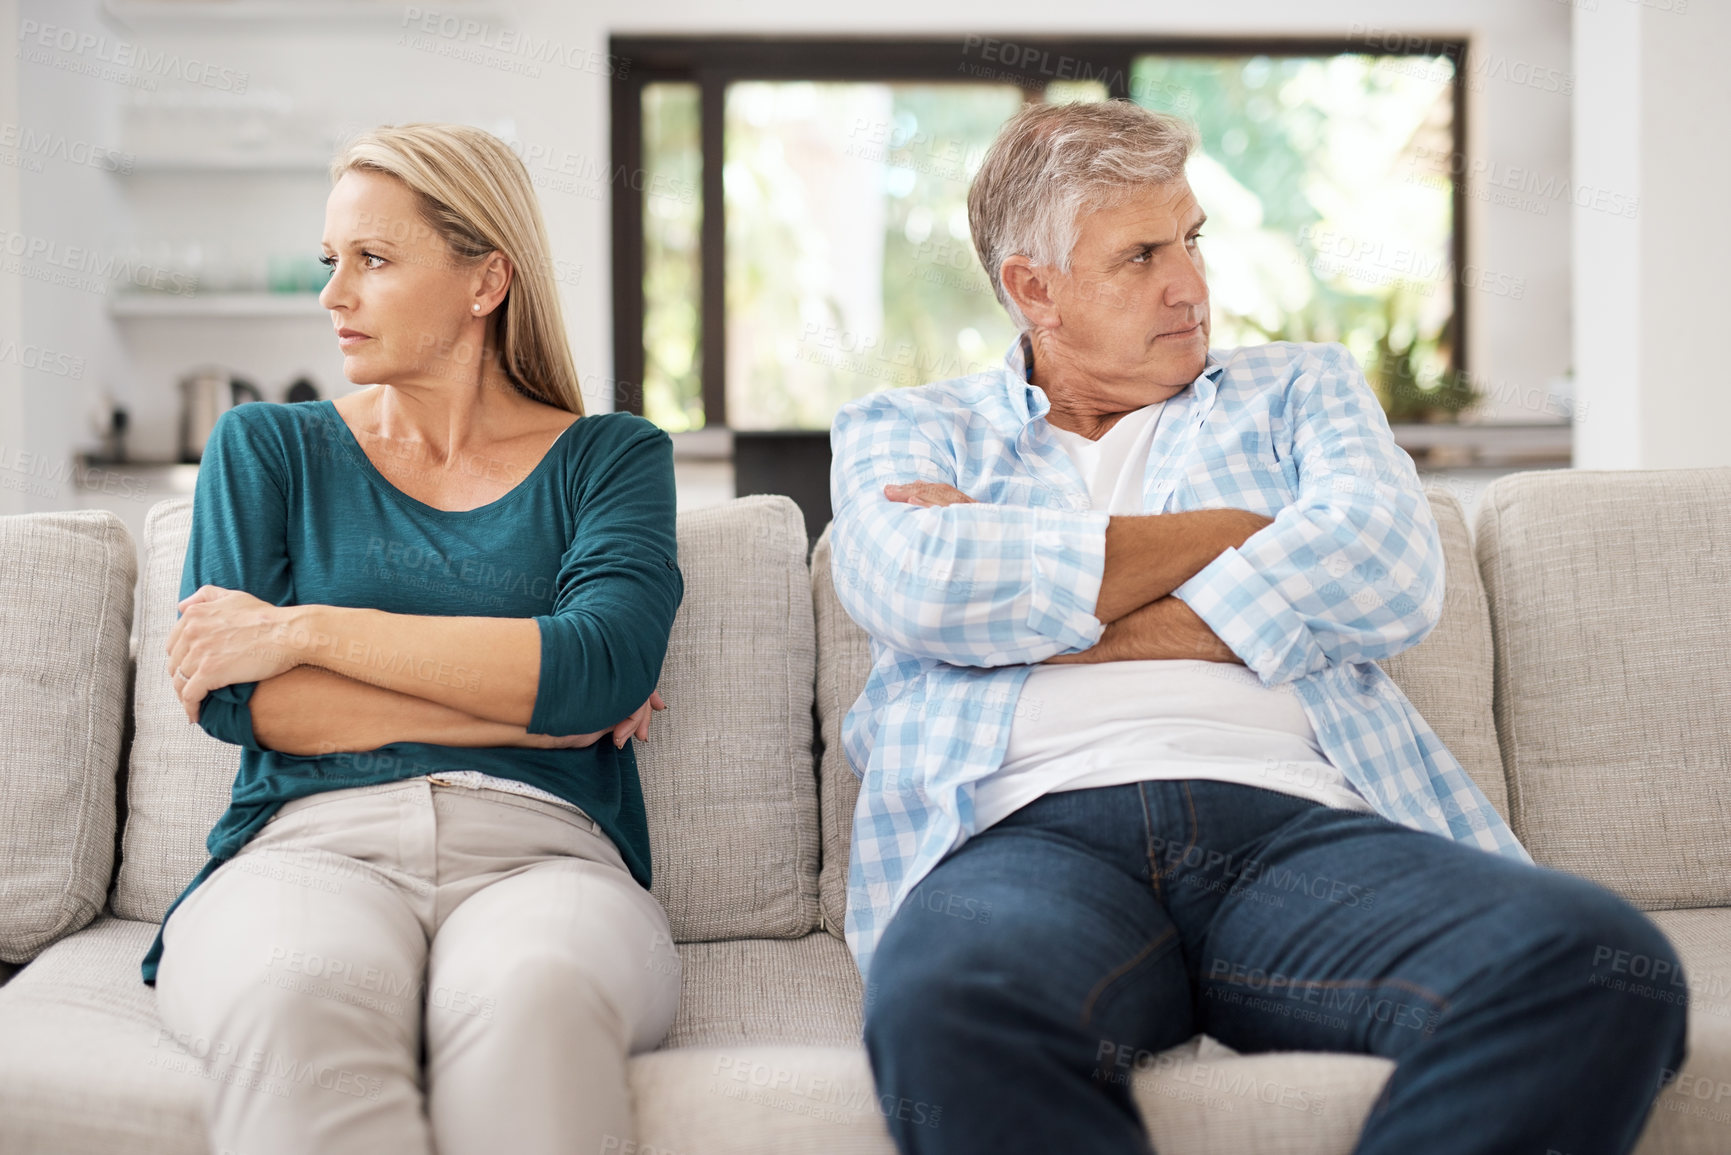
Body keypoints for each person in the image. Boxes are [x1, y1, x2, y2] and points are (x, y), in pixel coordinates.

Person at [828, 99, 1687, 1155]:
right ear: (1032, 290)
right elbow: (920, 587)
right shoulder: (908, 428)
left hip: (1296, 831)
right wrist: (1234, 532)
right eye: (1140, 254)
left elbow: (1384, 568)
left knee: (1595, 961)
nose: (1189, 284)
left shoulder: (1300, 391)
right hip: (1020, 836)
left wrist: (1034, 593)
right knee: (947, 1005)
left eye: (1192, 239)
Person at [147, 123, 684, 1155]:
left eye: (373, 261)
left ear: (486, 282)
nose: (332, 295)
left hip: (547, 861)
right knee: (297, 998)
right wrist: (533, 719)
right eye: (330, 262)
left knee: (537, 996)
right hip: (305, 851)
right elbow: (238, 702)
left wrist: (303, 628)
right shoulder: (267, 447)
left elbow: (598, 669)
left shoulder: (612, 459)